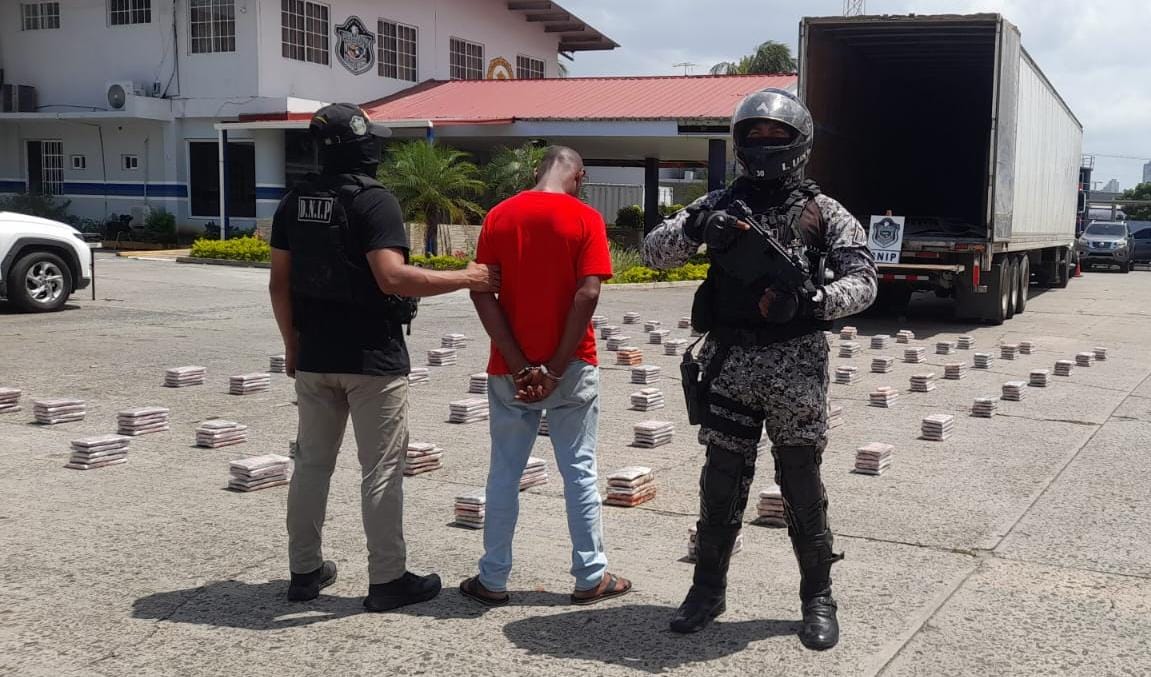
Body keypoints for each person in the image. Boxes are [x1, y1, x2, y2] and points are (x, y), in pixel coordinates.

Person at [642, 88, 877, 650]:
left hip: (797, 367)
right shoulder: (718, 203)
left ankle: (818, 596)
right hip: (730, 363)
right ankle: (707, 590)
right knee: (721, 479)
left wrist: (814, 302)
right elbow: (653, 252)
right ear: (740, 142)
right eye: (755, 135)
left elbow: (865, 280)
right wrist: (699, 229)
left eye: (777, 135)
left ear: (800, 144)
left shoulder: (825, 212)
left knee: (801, 480)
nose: (765, 144)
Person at [269, 102, 499, 612]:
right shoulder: (373, 201)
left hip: (315, 356)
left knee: (311, 465)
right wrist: (467, 277)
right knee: (380, 470)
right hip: (371, 359)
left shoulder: (293, 202)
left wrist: (292, 345)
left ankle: (304, 571)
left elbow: (278, 285)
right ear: (363, 145)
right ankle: (388, 579)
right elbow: (392, 277)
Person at [457, 146, 632, 607]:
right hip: (572, 366)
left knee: (504, 472)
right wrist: (554, 367)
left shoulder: (499, 217)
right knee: (579, 470)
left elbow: (481, 292)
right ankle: (590, 577)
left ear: (538, 170)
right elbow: (587, 294)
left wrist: (519, 364)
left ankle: (492, 579)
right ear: (580, 176)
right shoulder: (585, 218)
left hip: (508, 371)